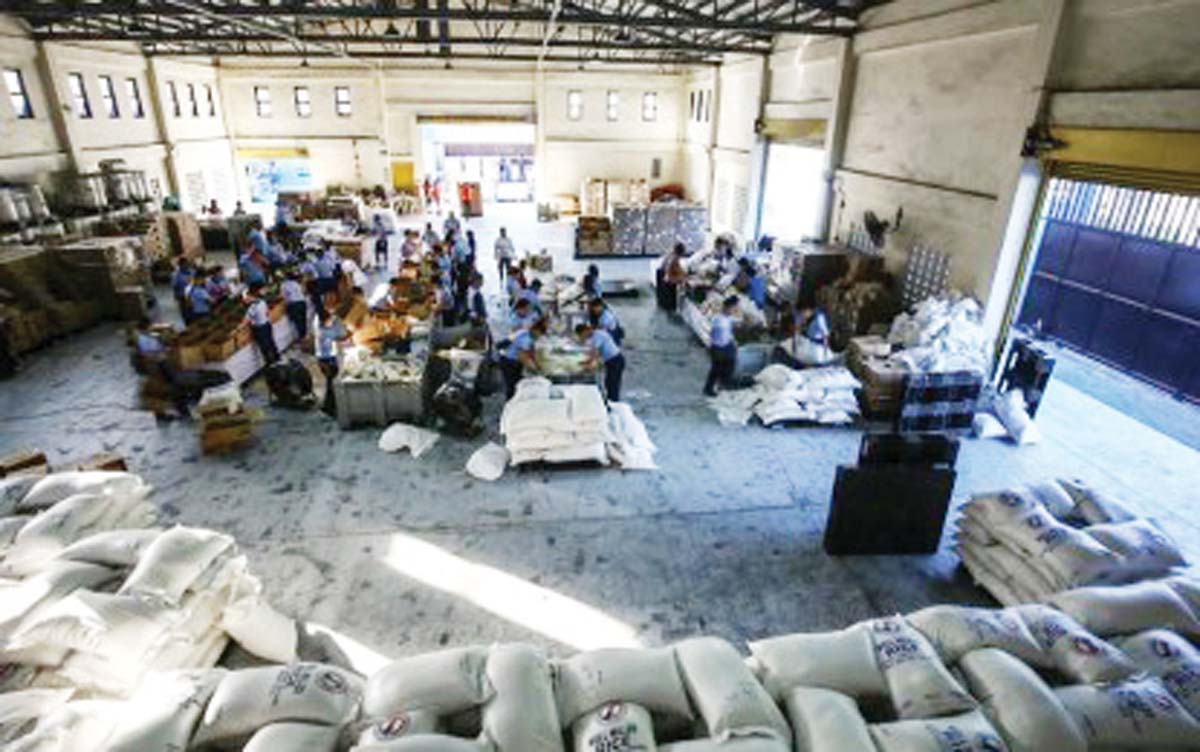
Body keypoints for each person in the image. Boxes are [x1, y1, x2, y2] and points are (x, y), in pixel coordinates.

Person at [576, 322, 625, 402]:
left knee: (613, 384)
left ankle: (614, 402)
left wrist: (589, 364)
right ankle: (610, 400)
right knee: (608, 383)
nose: (584, 337)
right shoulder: (595, 335)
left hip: (615, 360)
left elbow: (596, 352)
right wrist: (587, 362)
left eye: (582, 335)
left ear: (585, 331)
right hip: (610, 361)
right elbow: (594, 352)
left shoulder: (597, 335)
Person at [703, 295, 740, 397]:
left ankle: (723, 384)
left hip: (726, 346)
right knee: (716, 369)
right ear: (726, 308)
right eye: (732, 308)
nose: (733, 310)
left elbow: (728, 331)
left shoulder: (728, 319)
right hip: (718, 347)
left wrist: (732, 341)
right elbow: (714, 334)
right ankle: (709, 388)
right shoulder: (718, 320)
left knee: (728, 365)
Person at [499, 319, 545, 399]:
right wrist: (535, 370)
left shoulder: (529, 335)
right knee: (512, 385)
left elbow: (531, 353)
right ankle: (510, 405)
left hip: (513, 360)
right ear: (535, 330)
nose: (539, 336)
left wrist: (538, 365)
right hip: (509, 362)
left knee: (517, 382)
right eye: (539, 334)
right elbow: (522, 357)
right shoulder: (525, 338)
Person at [315, 309, 349, 416]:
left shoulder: (319, 328)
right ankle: (330, 406)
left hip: (323, 359)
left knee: (330, 383)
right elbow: (342, 336)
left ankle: (330, 405)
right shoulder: (326, 332)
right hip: (328, 360)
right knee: (331, 383)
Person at [243, 285, 279, 365]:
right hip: (267, 324)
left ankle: (270, 362)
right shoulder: (262, 302)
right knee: (271, 342)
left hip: (259, 329)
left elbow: (246, 321)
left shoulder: (252, 307)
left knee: (264, 346)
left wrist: (239, 328)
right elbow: (267, 312)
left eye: (247, 298)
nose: (245, 300)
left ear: (250, 297)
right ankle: (277, 357)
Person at [281, 271, 309, 340]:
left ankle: (302, 337)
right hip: (302, 302)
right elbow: (302, 291)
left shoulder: (283, 285)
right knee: (303, 319)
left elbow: (283, 296)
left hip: (294, 304)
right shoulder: (295, 283)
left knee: (298, 322)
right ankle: (305, 335)